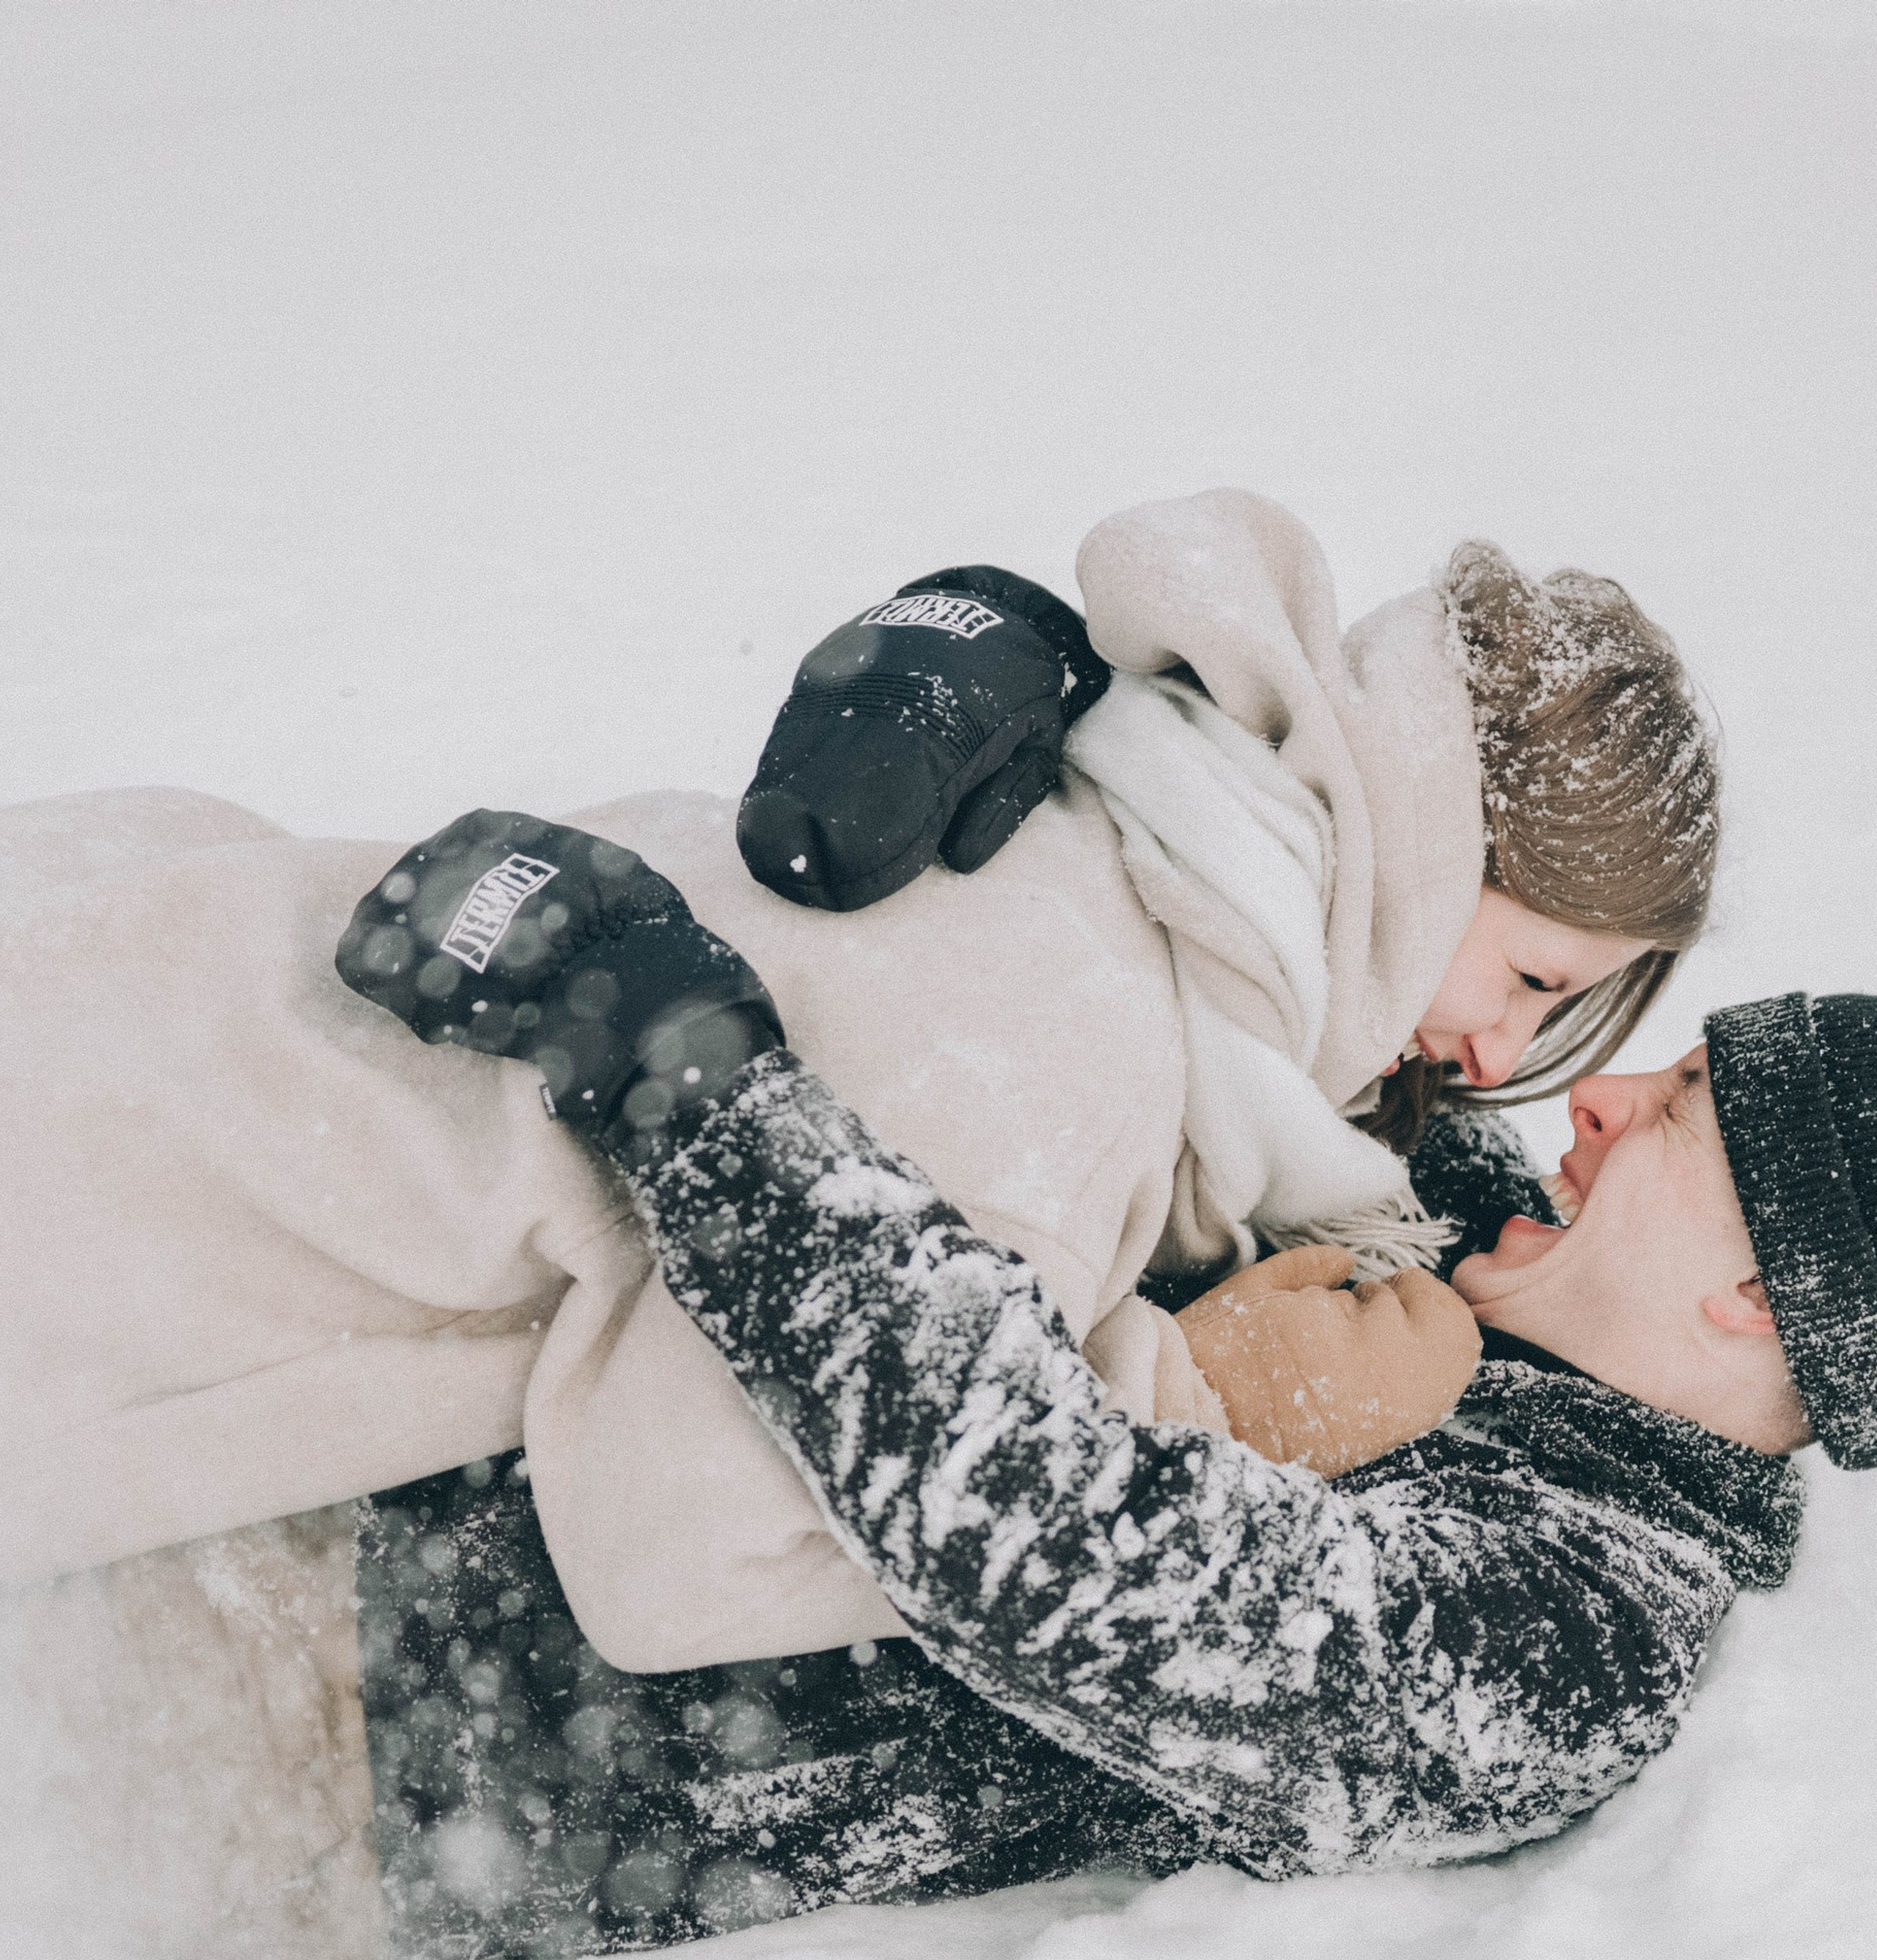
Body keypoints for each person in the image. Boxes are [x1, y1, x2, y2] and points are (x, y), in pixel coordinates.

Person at [1, 492, 1717, 1692]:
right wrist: (1180, 1397)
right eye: (1526, 980)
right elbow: (682, 1558)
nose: (1498, 1063)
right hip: (109, 1218)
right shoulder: (1069, 1040)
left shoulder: (1100, 812)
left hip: (140, 970)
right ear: (1420, 849)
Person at [337, 862, 1871, 1960]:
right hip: (405, 1383)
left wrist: (686, 1067)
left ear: (1757, 1297)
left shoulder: (1568, 1631)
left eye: (1677, 1110)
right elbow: (1290, 957)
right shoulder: (1468, 1218)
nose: (1590, 1093)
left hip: (396, 1710)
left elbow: (1037, 1537)